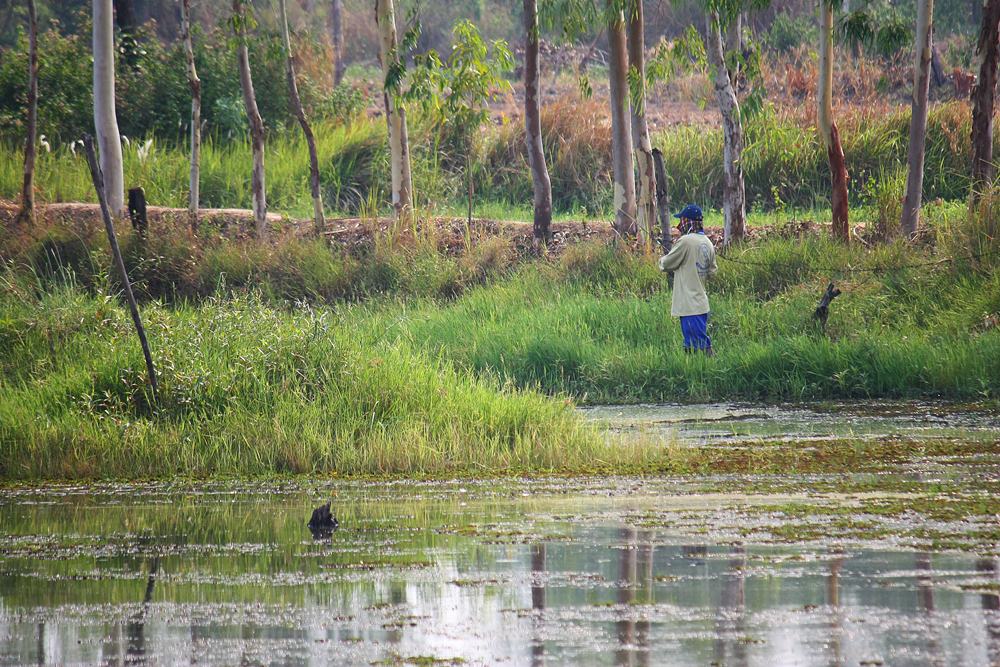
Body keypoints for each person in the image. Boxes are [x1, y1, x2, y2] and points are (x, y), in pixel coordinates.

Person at [658, 204, 717, 354]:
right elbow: (712, 272)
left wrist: (662, 259)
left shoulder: (685, 241)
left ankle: (707, 368)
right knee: (692, 343)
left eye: (682, 220)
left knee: (699, 343)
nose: (679, 225)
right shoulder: (708, 243)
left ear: (688, 222)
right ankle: (694, 369)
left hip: (689, 305)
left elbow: (665, 264)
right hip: (701, 303)